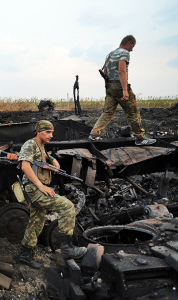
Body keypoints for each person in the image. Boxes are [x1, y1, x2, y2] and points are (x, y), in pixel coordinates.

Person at [17, 120, 87, 269]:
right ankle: (67, 247)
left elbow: (56, 165)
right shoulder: (30, 144)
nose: (51, 135)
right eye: (48, 132)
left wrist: (51, 159)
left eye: (52, 132)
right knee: (67, 206)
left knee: (36, 222)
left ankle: (24, 255)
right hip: (34, 189)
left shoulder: (41, 147)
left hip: (36, 189)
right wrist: (40, 185)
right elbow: (24, 166)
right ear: (39, 131)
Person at [89, 35, 156, 146]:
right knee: (133, 113)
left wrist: (107, 86)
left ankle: (94, 134)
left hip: (110, 88)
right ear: (129, 43)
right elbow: (121, 71)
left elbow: (105, 72)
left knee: (107, 113)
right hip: (120, 87)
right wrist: (125, 91)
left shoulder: (110, 54)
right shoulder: (124, 53)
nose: (132, 49)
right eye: (132, 46)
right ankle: (140, 138)